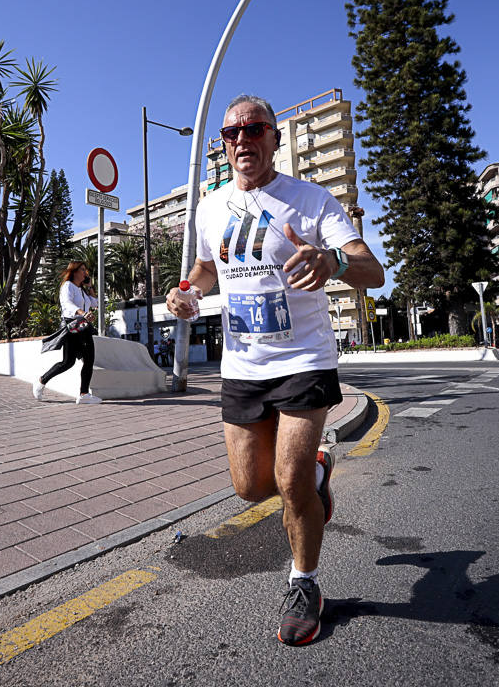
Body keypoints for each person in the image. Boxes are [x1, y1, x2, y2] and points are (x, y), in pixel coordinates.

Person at [166, 95, 384, 646]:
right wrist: (188, 293)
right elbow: (205, 267)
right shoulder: (210, 207)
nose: (243, 140)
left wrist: (331, 261)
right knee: (250, 487)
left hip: (304, 361)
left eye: (255, 129)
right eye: (231, 133)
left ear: (274, 138)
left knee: (286, 482)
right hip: (242, 364)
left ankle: (304, 582)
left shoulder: (310, 202)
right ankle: (317, 475)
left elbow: (372, 271)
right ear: (223, 144)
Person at [35, 261, 102, 404]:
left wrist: (90, 287)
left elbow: (95, 304)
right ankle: (42, 380)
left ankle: (84, 394)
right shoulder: (67, 286)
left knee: (89, 359)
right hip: (72, 328)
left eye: (86, 270)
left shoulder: (82, 290)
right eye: (83, 270)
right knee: (68, 362)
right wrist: (82, 312)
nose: (85, 273)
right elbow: (67, 304)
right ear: (75, 271)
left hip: (84, 328)